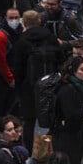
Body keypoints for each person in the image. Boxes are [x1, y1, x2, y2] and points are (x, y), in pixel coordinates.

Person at [11, 9, 64, 152]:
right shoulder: (51, 37)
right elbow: (61, 60)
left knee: (29, 121)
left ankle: (28, 152)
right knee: (54, 119)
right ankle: (53, 149)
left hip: (29, 88)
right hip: (51, 86)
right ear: (39, 21)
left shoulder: (21, 42)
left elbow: (17, 68)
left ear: (25, 23)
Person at [0, 7, 23, 122]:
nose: (14, 20)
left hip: (15, 77)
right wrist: (10, 79)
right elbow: (0, 61)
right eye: (11, 18)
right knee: (0, 113)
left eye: (16, 18)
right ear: (5, 19)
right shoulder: (0, 37)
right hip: (1, 79)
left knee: (14, 112)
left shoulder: (20, 32)